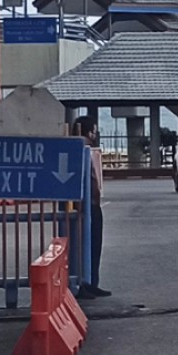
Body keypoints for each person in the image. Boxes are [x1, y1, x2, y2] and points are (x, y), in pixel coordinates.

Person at [75, 118, 111, 299]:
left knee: (79, 246)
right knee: (93, 244)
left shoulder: (72, 146)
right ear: (89, 132)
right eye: (94, 131)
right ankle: (89, 282)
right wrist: (96, 199)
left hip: (76, 205)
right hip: (89, 205)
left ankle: (84, 281)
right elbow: (92, 180)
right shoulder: (84, 149)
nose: (95, 135)